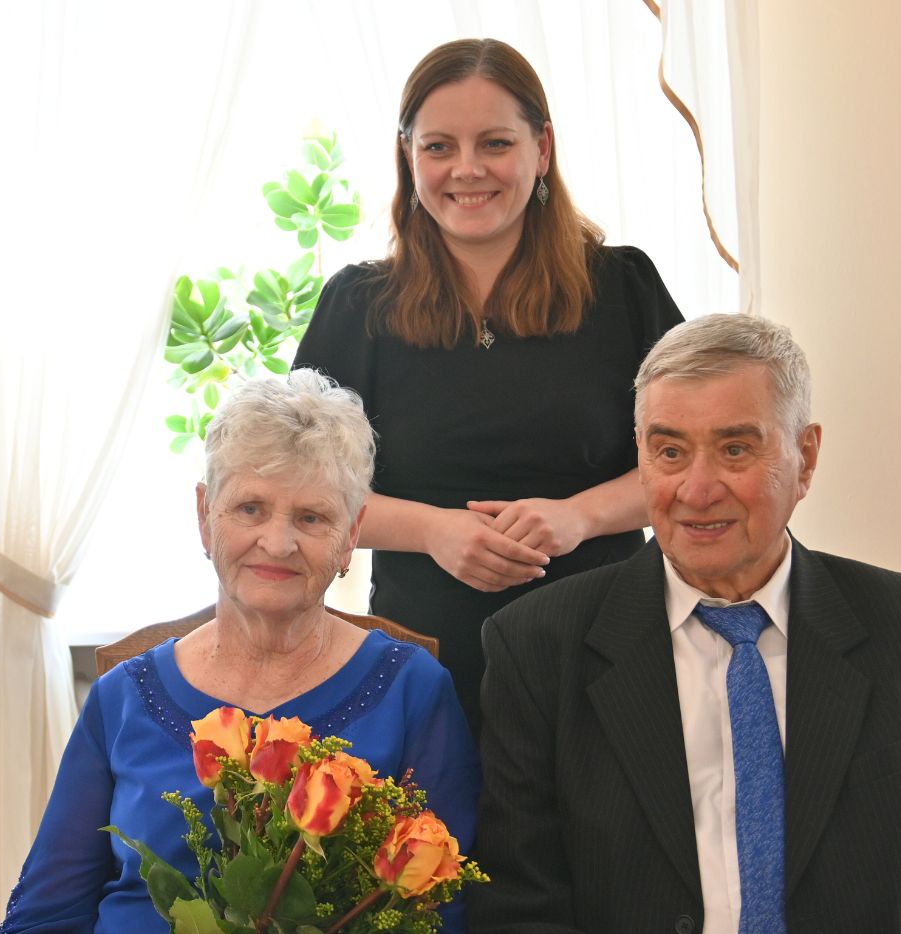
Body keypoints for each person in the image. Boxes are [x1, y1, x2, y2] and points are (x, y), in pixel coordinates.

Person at [468, 314, 901, 933]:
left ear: (805, 459)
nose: (697, 490)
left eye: (735, 449)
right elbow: (517, 914)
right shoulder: (537, 646)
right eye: (670, 452)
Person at [293, 38, 684, 729]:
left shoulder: (624, 289)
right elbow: (300, 493)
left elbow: (688, 464)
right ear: (408, 156)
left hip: (606, 657)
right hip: (421, 668)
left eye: (495, 143)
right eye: (439, 147)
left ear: (543, 148)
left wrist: (579, 516)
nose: (467, 169)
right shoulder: (357, 306)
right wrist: (432, 530)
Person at [0, 370, 478, 933]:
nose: (277, 542)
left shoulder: (411, 691)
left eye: (312, 517)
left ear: (351, 535)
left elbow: (439, 915)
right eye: (250, 508)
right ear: (205, 516)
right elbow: (45, 915)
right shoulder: (120, 699)